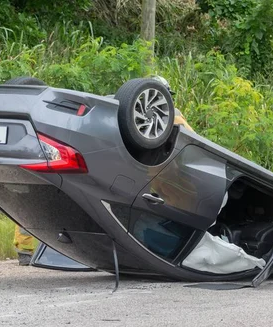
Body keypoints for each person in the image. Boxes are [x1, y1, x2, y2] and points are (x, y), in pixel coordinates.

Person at [14, 74, 195, 266]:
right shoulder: (168, 116)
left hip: (86, 161)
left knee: (39, 196)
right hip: (143, 174)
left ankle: (26, 250)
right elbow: (191, 142)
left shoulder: (110, 107)